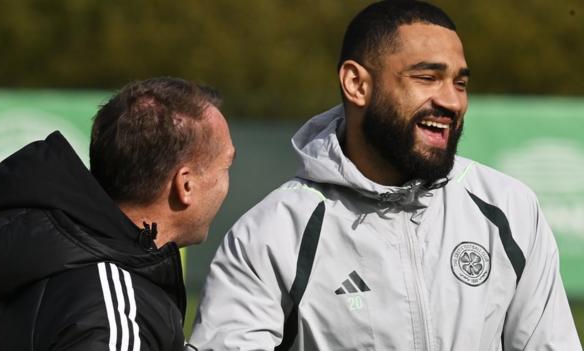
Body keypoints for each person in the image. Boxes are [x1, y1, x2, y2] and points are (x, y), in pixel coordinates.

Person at [189, 1, 581, 350]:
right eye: (426, 78)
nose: (451, 101)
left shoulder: (509, 208)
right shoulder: (272, 233)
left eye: (460, 82)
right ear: (357, 84)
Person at [0, 77, 235, 350]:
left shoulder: (49, 258)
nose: (226, 182)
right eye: (225, 166)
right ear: (185, 185)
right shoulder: (114, 314)